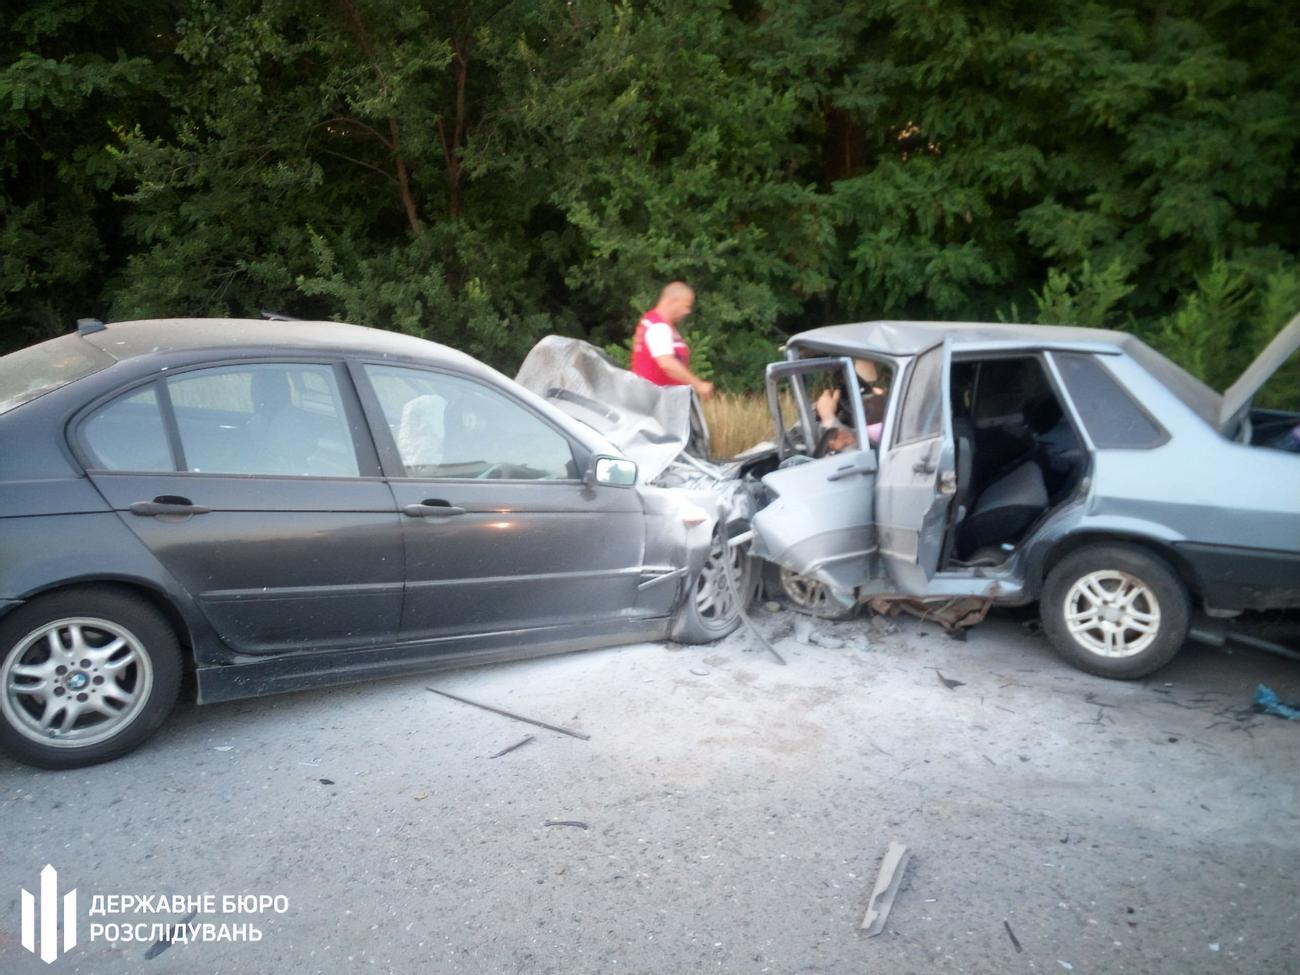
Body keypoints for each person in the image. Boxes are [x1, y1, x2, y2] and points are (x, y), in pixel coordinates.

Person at [630, 281, 714, 399]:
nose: (687, 311)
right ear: (672, 302)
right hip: (655, 402)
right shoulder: (659, 327)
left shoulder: (656, 323)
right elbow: (667, 363)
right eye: (686, 306)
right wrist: (698, 385)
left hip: (659, 401)